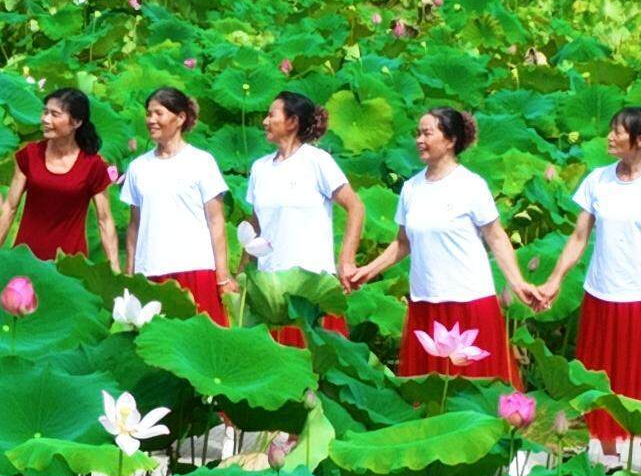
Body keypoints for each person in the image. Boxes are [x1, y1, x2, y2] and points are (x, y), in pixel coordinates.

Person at [531, 107, 641, 411]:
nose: (609, 137)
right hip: (603, 292)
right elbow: (578, 237)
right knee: (603, 379)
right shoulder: (597, 180)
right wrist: (554, 280)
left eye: (618, 132)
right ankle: (608, 452)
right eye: (611, 130)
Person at [359, 105, 527, 382]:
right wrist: (368, 271)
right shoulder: (411, 188)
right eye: (418, 134)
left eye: (427, 133)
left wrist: (518, 283)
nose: (419, 140)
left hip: (468, 299)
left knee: (473, 391)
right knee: (428, 390)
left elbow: (496, 237)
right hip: (426, 300)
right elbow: (402, 243)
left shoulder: (471, 185)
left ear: (450, 141)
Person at [240, 89, 361, 344]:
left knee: (315, 366)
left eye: (271, 115)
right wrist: (243, 274)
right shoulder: (260, 168)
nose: (264, 121)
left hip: (312, 283)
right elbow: (255, 226)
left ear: (292, 122)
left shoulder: (317, 161)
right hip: (270, 287)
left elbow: (355, 207)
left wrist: (346, 260)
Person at [110, 85, 235, 323]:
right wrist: (130, 273)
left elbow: (216, 221)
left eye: (159, 113)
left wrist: (222, 276)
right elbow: (134, 226)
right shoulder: (138, 167)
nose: (151, 120)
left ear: (180, 118)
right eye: (148, 114)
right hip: (150, 269)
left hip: (194, 267)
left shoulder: (201, 162)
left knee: (199, 342)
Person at [2, 87, 111, 262]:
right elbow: (9, 207)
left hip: (69, 262)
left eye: (54, 114)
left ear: (76, 122)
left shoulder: (93, 165)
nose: (45, 119)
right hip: (27, 258)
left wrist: (114, 271)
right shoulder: (30, 154)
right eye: (44, 112)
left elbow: (104, 220)